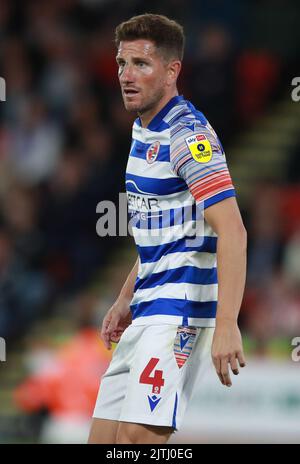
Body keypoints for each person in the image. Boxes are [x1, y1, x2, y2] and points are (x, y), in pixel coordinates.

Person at [88, 13, 247, 444]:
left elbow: (233, 230)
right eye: (122, 63)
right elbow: (160, 232)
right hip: (146, 308)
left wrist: (227, 322)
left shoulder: (187, 136)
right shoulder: (141, 131)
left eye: (141, 64)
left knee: (135, 444)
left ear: (172, 71)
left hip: (179, 312)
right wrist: (124, 299)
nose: (126, 75)